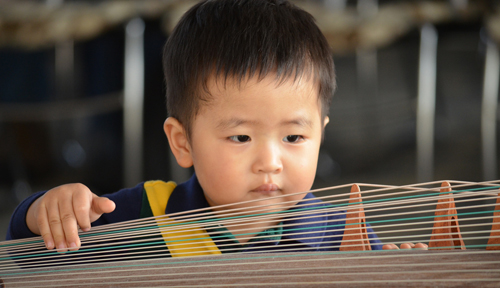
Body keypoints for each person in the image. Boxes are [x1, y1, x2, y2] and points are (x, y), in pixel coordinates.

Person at [6, 0, 423, 255]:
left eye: (294, 137)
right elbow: (29, 248)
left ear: (321, 133)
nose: (269, 163)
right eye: (240, 137)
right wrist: (44, 212)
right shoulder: (147, 214)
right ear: (181, 142)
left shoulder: (344, 233)